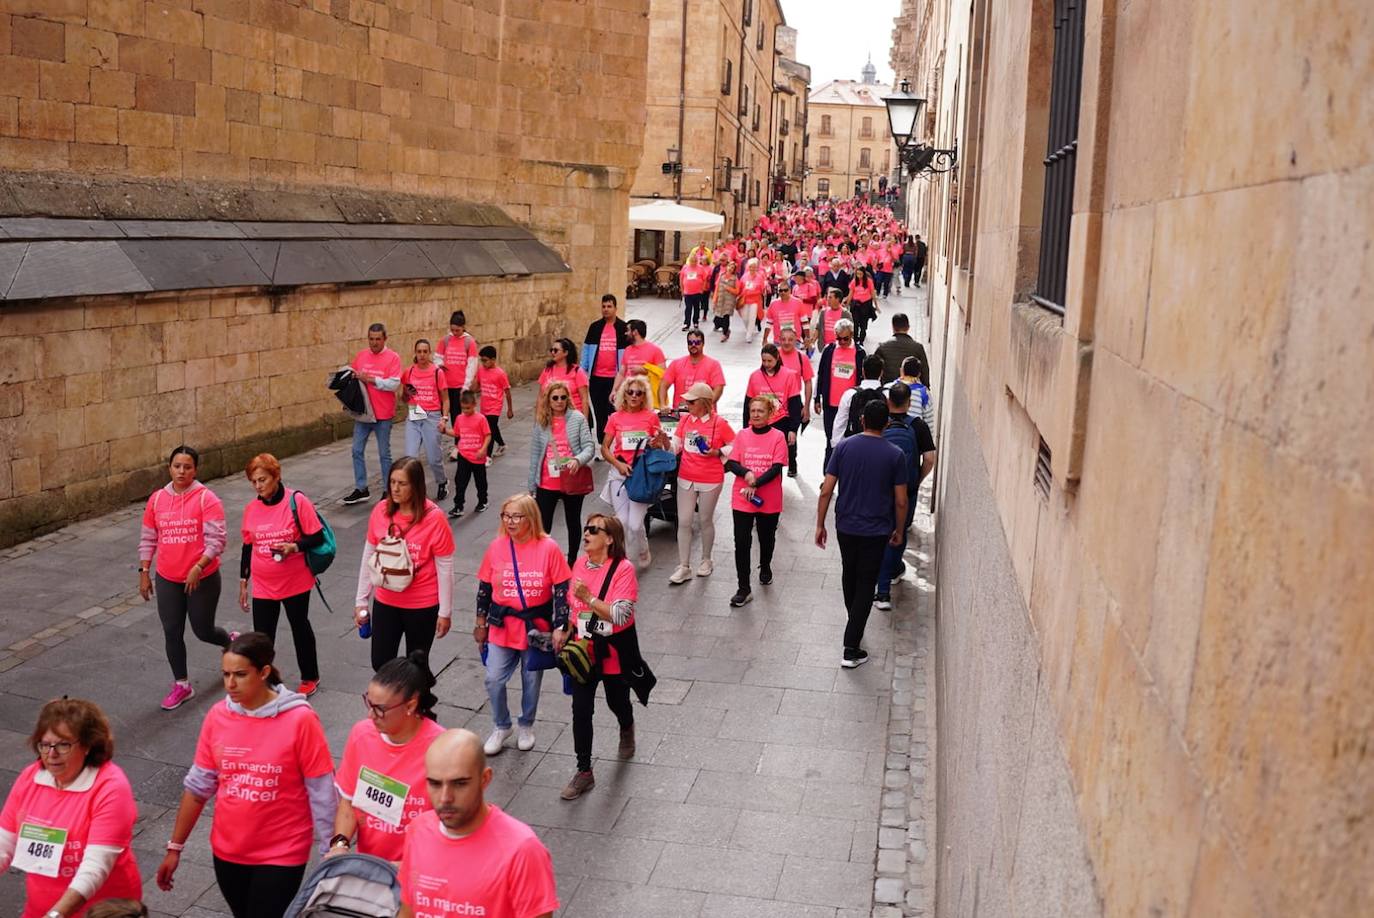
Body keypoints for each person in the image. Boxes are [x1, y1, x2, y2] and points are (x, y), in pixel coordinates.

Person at [156, 633, 334, 918]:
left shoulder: (300, 720)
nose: (230, 684)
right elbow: (198, 785)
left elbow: (322, 789)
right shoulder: (217, 716)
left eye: (240, 674)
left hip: (282, 852)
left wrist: (330, 852)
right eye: (225, 674)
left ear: (264, 672)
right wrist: (175, 847)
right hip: (228, 850)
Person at [0, 699, 142, 917]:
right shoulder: (31, 777)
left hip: (102, 911)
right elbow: (4, 844)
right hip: (42, 908)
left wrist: (56, 914)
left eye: (63, 744)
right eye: (44, 744)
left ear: (87, 746)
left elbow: (95, 868)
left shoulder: (110, 787)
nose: (51, 754)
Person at [395, 729, 558, 918]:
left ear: (485, 779)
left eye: (459, 784)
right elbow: (408, 909)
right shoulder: (418, 829)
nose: (445, 798)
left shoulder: (523, 850)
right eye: (435, 784)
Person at [474, 494, 572, 756]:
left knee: (531, 680)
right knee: (493, 678)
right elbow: (484, 587)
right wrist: (480, 622)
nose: (510, 521)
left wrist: (561, 626)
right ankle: (501, 724)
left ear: (531, 518)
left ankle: (526, 724)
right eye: (506, 515)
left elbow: (563, 588)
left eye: (517, 516)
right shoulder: (496, 547)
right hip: (501, 625)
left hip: (535, 628)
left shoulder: (548, 548)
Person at [814, 400, 908, 668]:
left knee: (849, 572)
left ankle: (853, 620)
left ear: (863, 420)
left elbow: (826, 489)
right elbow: (901, 500)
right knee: (867, 581)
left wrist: (820, 524)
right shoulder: (895, 454)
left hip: (846, 525)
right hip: (877, 529)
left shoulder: (844, 446)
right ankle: (851, 646)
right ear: (887, 424)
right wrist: (899, 530)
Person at [138, 445, 232, 712]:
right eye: (177, 466)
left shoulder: (207, 499)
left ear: (195, 470)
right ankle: (182, 684)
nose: (182, 471)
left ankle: (229, 642)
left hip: (202, 577)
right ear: (170, 468)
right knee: (172, 630)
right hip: (168, 577)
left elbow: (218, 540)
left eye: (187, 467)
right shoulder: (157, 500)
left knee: (203, 630)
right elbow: (148, 537)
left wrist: (199, 566)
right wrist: (144, 571)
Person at [329, 651, 444, 863]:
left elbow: (452, 827)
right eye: (368, 703)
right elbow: (348, 802)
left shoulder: (442, 750)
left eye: (380, 709)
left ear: (410, 705)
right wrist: (340, 844)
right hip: (372, 869)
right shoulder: (361, 735)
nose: (370, 716)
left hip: (421, 874)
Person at [559, 514, 642, 800]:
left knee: (616, 701)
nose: (586, 534)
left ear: (609, 538)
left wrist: (589, 598)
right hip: (584, 649)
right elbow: (572, 604)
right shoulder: (580, 563)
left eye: (594, 530)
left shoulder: (623, 569)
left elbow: (621, 614)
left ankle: (626, 725)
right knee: (581, 710)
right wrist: (565, 629)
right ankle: (584, 771)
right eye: (585, 528)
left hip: (613, 650)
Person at [354, 457, 455, 671]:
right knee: (380, 663)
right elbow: (369, 555)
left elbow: (445, 567)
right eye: (392, 482)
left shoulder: (434, 518)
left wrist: (444, 612)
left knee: (416, 666)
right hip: (386, 599)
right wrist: (361, 600)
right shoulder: (381, 510)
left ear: (416, 485)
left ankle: (417, 704)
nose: (395, 489)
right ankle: (392, 703)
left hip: (422, 604)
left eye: (402, 483)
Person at [237, 453, 324, 697]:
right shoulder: (251, 509)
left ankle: (310, 676)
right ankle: (267, 680)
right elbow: (247, 546)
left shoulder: (296, 501)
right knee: (262, 637)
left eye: (262, 480)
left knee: (299, 626)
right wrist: (244, 582)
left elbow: (316, 537)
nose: (258, 486)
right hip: (264, 584)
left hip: (294, 580)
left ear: (276, 476)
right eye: (253, 481)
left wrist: (294, 547)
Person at [873, 383, 936, 610]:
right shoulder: (918, 426)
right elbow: (929, 458)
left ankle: (882, 588)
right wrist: (915, 481)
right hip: (906, 491)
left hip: (879, 491)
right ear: (909, 403)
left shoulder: (880, 421)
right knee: (899, 533)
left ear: (889, 401)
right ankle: (887, 581)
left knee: (881, 534)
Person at [600, 376, 671, 568]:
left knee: (634, 524)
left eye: (638, 393)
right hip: (619, 475)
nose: (634, 396)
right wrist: (618, 465)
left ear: (643, 397)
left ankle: (643, 549)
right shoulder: (615, 418)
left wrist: (659, 442)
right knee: (622, 522)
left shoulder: (650, 417)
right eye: (630, 392)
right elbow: (604, 448)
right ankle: (625, 563)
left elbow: (664, 447)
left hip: (642, 476)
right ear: (624, 393)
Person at [669, 382, 735, 584]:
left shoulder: (720, 423)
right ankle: (684, 566)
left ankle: (706, 560)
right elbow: (676, 446)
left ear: (704, 403)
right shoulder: (685, 420)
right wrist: (664, 443)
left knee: (705, 520)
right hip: (686, 477)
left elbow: (735, 444)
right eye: (687, 401)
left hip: (710, 479)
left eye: (691, 401)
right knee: (685, 521)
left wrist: (718, 452)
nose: (687, 404)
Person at [724, 397, 788, 608]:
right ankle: (744, 587)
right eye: (753, 411)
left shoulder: (778, 437)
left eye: (761, 411)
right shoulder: (742, 435)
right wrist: (747, 472)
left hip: (767, 498)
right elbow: (732, 462)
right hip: (742, 497)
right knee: (741, 542)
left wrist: (756, 483)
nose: (756, 414)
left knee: (766, 536)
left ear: (769, 414)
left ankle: (766, 565)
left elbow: (777, 467)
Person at [529, 380, 597, 564]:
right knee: (544, 525)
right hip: (546, 481)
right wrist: (531, 484)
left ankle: (573, 560)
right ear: (548, 400)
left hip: (572, 480)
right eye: (555, 398)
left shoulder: (578, 419)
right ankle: (544, 559)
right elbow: (535, 454)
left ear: (568, 399)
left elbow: (589, 447)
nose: (559, 401)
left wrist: (577, 459)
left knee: (573, 521)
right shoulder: (541, 422)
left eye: (563, 397)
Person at [345, 323, 402, 505]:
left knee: (384, 454)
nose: (374, 343)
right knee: (356, 450)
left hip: (383, 414)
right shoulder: (362, 356)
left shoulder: (393, 358)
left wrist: (370, 379)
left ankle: (388, 490)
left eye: (378, 339)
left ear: (385, 339)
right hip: (364, 414)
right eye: (371, 339)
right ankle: (361, 488)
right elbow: (354, 374)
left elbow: (393, 384)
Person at [400, 339, 449, 502]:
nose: (421, 355)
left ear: (429, 353)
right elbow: (404, 395)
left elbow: (445, 399)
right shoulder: (409, 372)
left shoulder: (437, 373)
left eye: (425, 352)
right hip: (414, 414)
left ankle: (442, 481)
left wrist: (444, 418)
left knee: (434, 458)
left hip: (432, 415)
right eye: (419, 351)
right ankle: (416, 491)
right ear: (415, 353)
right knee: (410, 457)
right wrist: (406, 394)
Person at [814, 320, 866, 470]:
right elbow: (821, 374)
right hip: (831, 405)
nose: (842, 342)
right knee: (830, 441)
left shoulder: (860, 352)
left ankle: (846, 473)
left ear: (851, 335)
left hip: (851, 406)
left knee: (849, 442)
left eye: (846, 338)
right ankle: (828, 475)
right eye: (839, 338)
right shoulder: (829, 350)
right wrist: (817, 399)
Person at [580, 294, 628, 443]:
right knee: (600, 413)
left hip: (615, 380)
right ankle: (602, 445)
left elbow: (628, 353)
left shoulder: (622, 328)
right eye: (604, 306)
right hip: (596, 378)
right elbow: (586, 350)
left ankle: (618, 444)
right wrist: (582, 372)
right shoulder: (595, 327)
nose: (606, 309)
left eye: (609, 306)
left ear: (615, 308)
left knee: (615, 412)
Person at [744, 345, 803, 461]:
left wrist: (793, 429)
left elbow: (795, 404)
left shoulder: (789, 375)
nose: (766, 364)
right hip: (760, 422)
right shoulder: (755, 376)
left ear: (777, 357)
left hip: (781, 422)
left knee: (777, 459)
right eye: (764, 360)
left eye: (770, 361)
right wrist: (746, 428)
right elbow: (748, 404)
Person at [775, 329, 814, 476]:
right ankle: (776, 467)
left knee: (791, 436)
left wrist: (806, 406)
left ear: (796, 340)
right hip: (775, 404)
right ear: (779, 339)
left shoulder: (801, 357)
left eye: (790, 339)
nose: (786, 342)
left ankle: (792, 463)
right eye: (783, 339)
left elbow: (808, 382)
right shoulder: (774, 355)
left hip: (794, 403)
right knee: (775, 437)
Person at [658, 329, 726, 410]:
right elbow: (663, 385)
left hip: (705, 416)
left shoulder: (714, 365)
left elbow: (718, 389)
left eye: (697, 342)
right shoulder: (676, 364)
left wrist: (706, 407)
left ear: (703, 344)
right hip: (681, 415)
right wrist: (663, 405)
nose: (693, 345)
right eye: (690, 343)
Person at [448, 391, 491, 518]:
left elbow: (488, 435)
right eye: (463, 408)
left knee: (480, 482)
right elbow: (456, 433)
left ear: (474, 404)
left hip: (478, 457)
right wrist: (444, 430)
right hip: (464, 456)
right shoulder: (459, 418)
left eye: (468, 408)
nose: (465, 411)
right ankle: (458, 506)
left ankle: (483, 501)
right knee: (460, 482)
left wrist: (483, 449)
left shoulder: (481, 419)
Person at [832, 354, 889, 444]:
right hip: (882, 445)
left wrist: (837, 446)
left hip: (854, 445)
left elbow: (840, 423)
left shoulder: (850, 394)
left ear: (863, 371)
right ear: (881, 372)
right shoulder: (888, 395)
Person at [437, 310, 478, 435]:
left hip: (459, 386)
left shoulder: (469, 342)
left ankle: (458, 444)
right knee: (441, 413)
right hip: (445, 385)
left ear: (463, 327)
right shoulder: (445, 340)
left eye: (457, 330)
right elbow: (437, 357)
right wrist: (439, 364)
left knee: (457, 415)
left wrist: (466, 386)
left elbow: (472, 365)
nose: (455, 333)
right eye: (452, 330)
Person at [610, 319, 666, 402]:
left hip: (647, 398)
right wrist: (614, 390)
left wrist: (645, 371)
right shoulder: (627, 350)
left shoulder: (655, 350)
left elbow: (663, 374)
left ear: (635, 332)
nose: (626, 333)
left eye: (628, 330)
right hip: (628, 396)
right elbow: (621, 373)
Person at [539, 337, 592, 423]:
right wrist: (539, 417)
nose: (552, 352)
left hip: (572, 417)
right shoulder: (547, 370)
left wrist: (584, 422)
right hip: (551, 417)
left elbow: (584, 399)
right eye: (551, 350)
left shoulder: (577, 371)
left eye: (556, 350)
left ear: (565, 353)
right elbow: (541, 397)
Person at [474, 346, 513, 460]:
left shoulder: (500, 374)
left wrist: (510, 409)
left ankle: (487, 456)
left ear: (493, 359)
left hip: (495, 407)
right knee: (493, 428)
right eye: (482, 360)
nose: (483, 363)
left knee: (489, 431)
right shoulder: (481, 370)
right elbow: (477, 386)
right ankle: (501, 444)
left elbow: (507, 392)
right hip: (484, 406)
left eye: (485, 360)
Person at [874, 313, 930, 385]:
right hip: (910, 390)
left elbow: (874, 371)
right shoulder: (918, 348)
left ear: (893, 327)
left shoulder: (882, 348)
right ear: (908, 327)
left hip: (888, 389)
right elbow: (924, 371)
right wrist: (926, 387)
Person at [899, 355, 937, 433]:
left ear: (901, 371)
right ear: (919, 374)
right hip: (914, 438)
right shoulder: (924, 393)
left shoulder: (889, 388)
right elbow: (929, 424)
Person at [761, 282, 805, 347]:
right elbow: (769, 323)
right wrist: (765, 339)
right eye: (781, 290)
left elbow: (804, 321)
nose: (783, 292)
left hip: (795, 341)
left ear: (790, 290)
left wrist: (807, 337)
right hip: (778, 342)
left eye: (785, 290)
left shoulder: (798, 302)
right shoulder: (773, 304)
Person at [738, 257, 768, 343]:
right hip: (745, 300)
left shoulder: (759, 277)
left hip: (755, 301)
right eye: (751, 266)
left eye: (754, 267)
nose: (752, 268)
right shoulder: (744, 276)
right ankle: (749, 330)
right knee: (745, 317)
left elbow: (762, 289)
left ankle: (749, 335)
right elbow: (740, 287)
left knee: (752, 317)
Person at [679, 253, 712, 329]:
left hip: (697, 292)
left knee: (696, 307)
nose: (693, 262)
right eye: (692, 261)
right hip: (687, 292)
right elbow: (681, 279)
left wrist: (702, 288)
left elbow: (704, 279)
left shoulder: (700, 268)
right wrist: (682, 290)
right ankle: (687, 323)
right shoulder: (685, 268)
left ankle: (695, 322)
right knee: (688, 308)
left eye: (694, 261)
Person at [847, 265, 878, 346]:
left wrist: (876, 305)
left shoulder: (869, 281)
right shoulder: (854, 281)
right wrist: (847, 304)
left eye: (860, 274)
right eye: (857, 274)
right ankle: (856, 339)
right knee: (855, 323)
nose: (859, 276)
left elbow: (872, 293)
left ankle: (861, 340)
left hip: (866, 305)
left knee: (863, 323)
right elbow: (850, 294)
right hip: (856, 305)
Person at [711, 259, 740, 341]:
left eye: (733, 268)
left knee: (726, 316)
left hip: (729, 301)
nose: (731, 268)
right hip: (720, 299)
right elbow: (717, 288)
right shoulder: (721, 276)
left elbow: (737, 291)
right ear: (727, 267)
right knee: (718, 317)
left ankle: (724, 333)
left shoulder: (735, 279)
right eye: (730, 266)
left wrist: (728, 288)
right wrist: (714, 299)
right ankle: (724, 329)